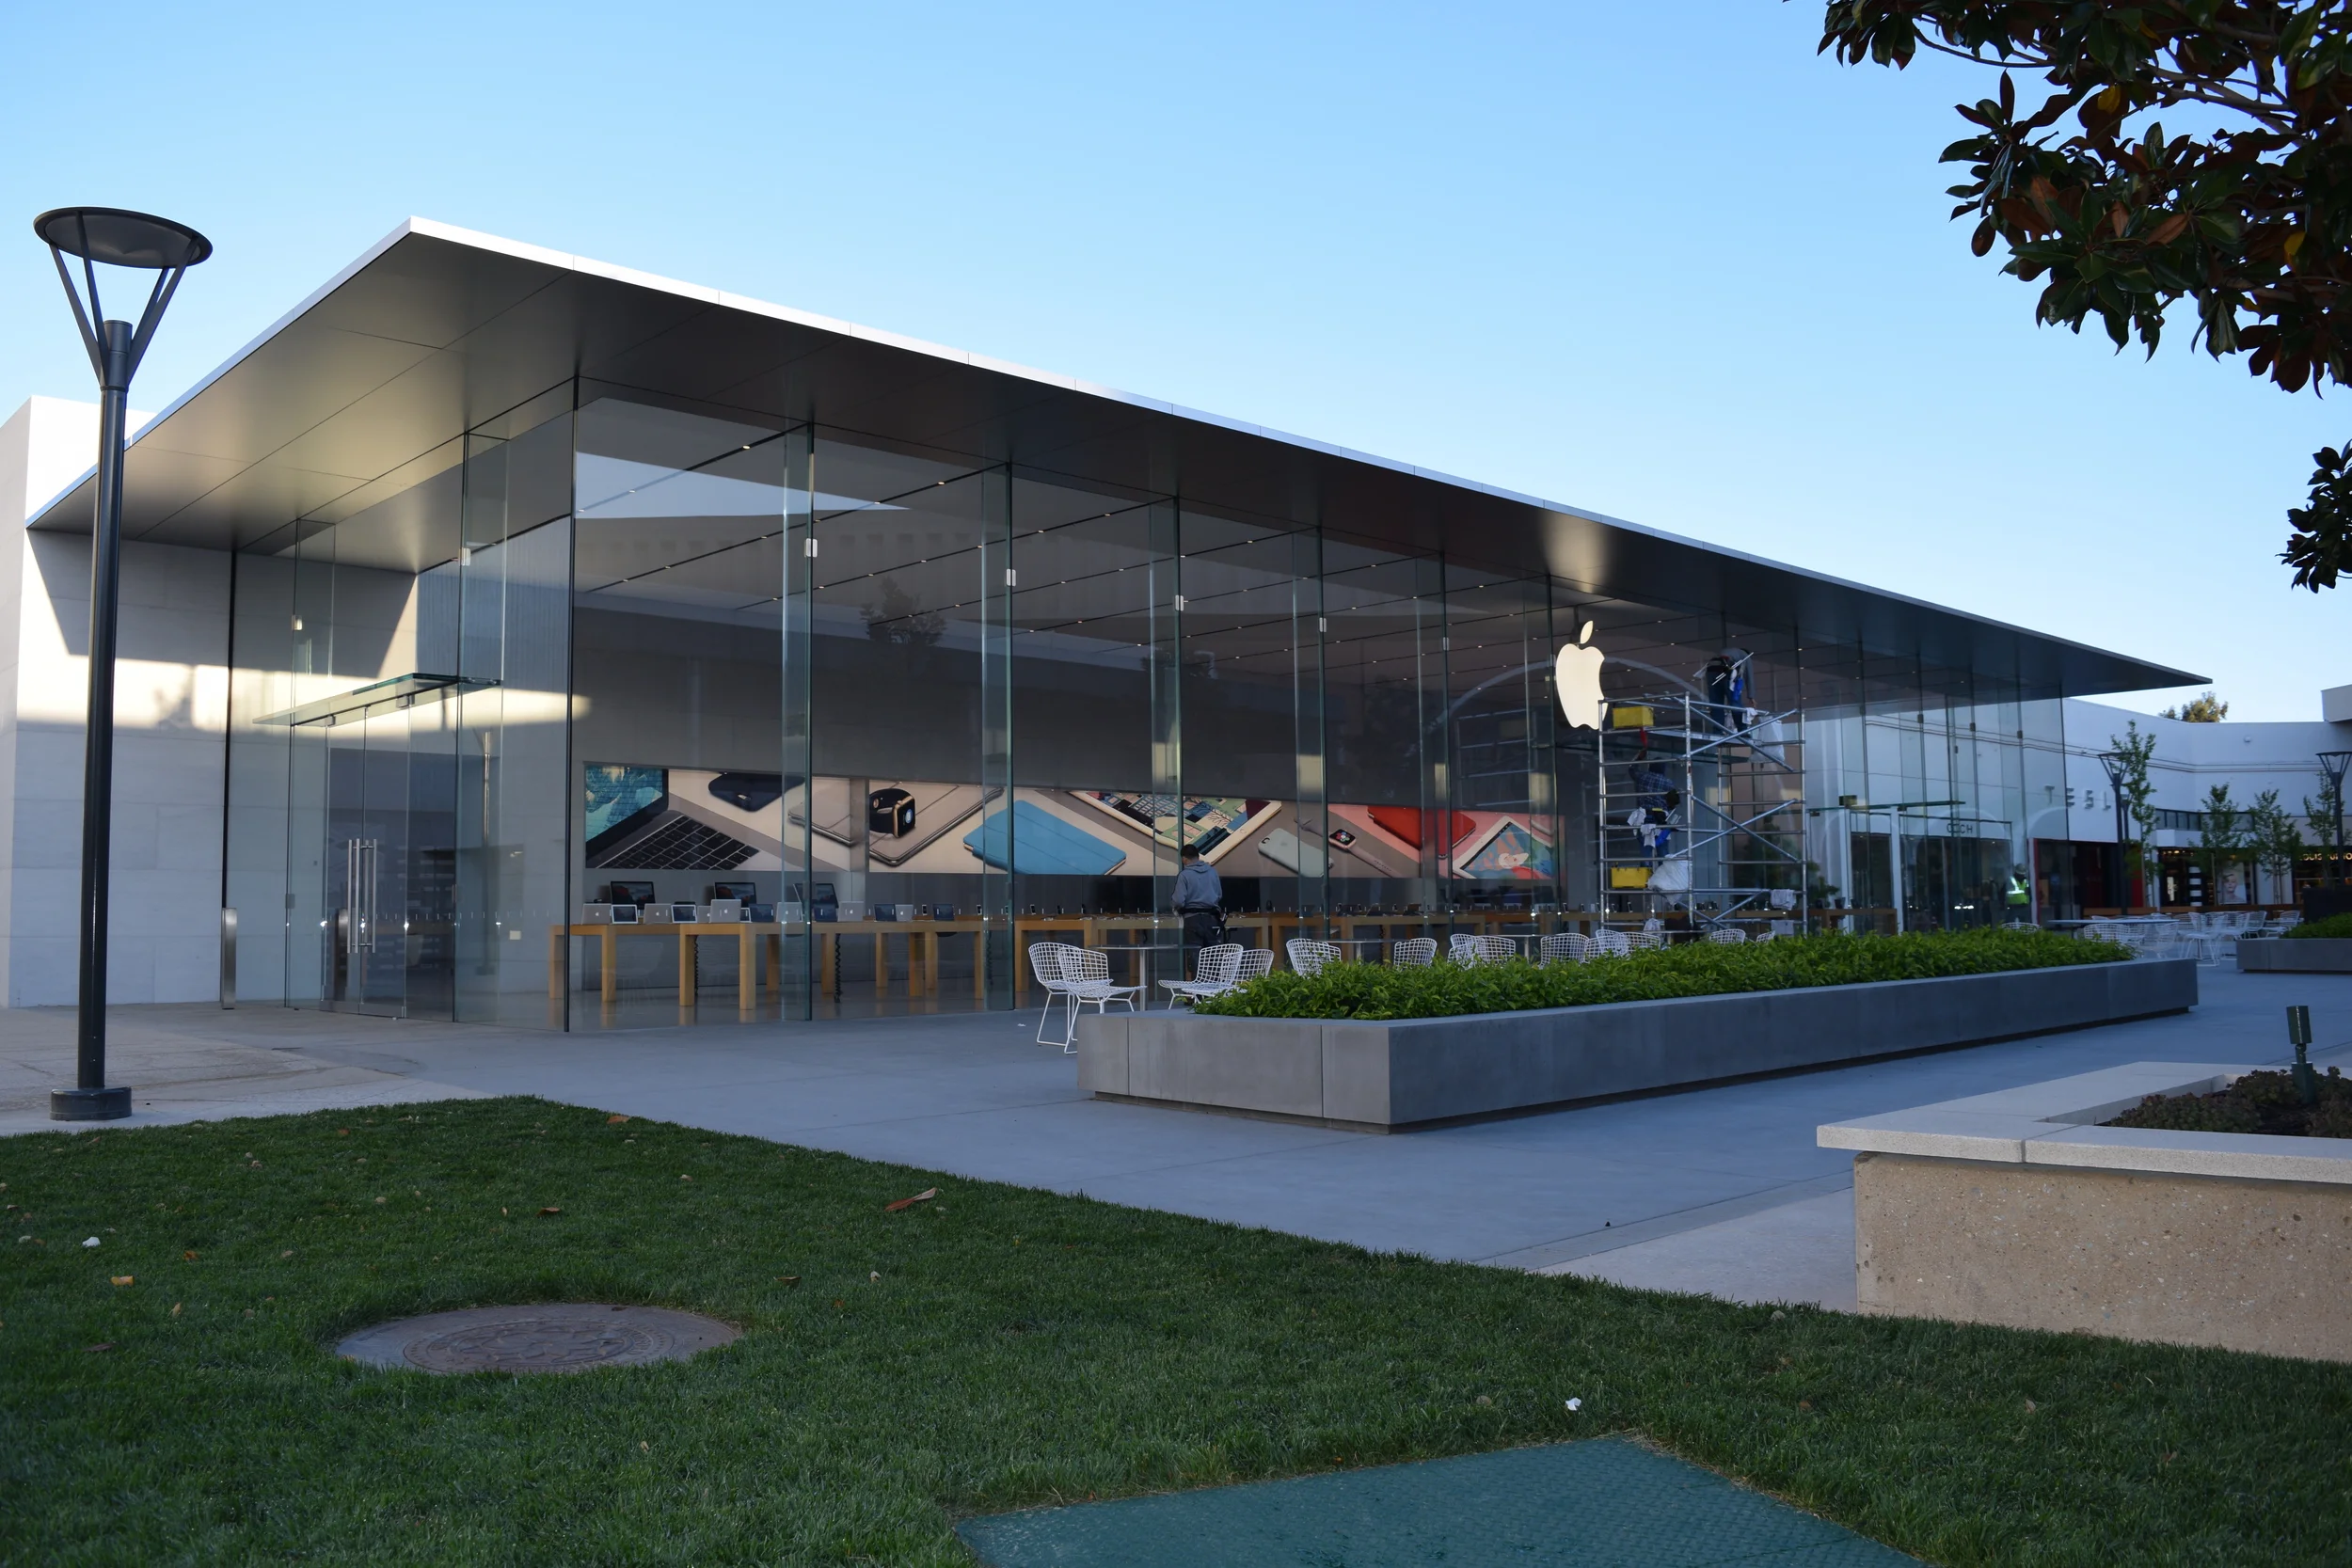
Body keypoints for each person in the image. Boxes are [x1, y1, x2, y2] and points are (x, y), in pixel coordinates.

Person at [1172, 844, 1225, 971]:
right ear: (1198, 856)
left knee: (1196, 957)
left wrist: (1176, 909)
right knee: (1213, 957)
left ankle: (1197, 982)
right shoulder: (1212, 872)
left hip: (1192, 919)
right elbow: (1219, 895)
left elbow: (1178, 901)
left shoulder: (1184, 875)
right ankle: (1214, 983)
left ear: (1184, 859)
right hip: (1212, 918)